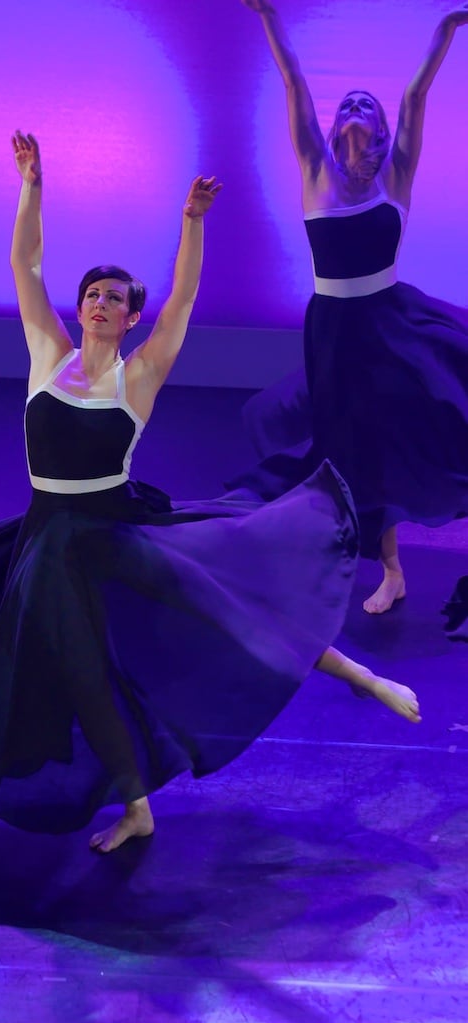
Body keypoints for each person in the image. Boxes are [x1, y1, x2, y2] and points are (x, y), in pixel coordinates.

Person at [0, 131, 420, 859]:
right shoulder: (48, 355)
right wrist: (32, 187)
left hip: (117, 526)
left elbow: (184, 300)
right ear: (80, 309)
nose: (100, 304)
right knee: (83, 678)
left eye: (115, 299)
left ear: (132, 317)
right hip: (48, 541)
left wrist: (191, 225)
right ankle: (138, 809)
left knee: (228, 608)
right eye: (93, 295)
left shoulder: (137, 377)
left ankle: (362, 677)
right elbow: (24, 264)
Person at [235, 1, 468, 614]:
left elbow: (415, 96)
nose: (357, 106)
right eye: (349, 103)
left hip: (391, 327)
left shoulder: (396, 175)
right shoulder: (315, 168)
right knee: (339, 447)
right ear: (335, 125)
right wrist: (267, 15)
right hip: (334, 335)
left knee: (402, 441)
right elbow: (294, 81)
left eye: (368, 103)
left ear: (383, 127)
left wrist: (445, 30)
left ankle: (390, 569)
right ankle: (372, 565)